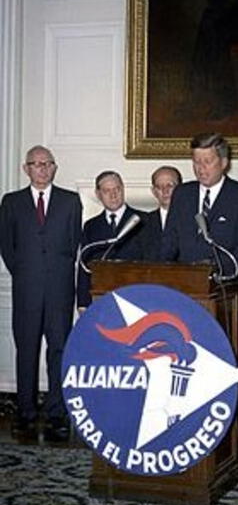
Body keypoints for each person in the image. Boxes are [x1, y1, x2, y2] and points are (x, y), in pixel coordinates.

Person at [0, 145, 82, 441]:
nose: (42, 169)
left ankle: (57, 413)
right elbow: (7, 246)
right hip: (27, 290)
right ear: (26, 169)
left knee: (59, 349)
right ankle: (25, 412)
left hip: (60, 291)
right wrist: (25, 272)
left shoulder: (70, 202)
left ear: (54, 167)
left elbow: (72, 246)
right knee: (27, 350)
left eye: (47, 163)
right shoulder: (11, 202)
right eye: (36, 164)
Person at [162, 132, 238, 277]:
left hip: (224, 283)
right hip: (183, 281)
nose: (201, 168)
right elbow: (170, 240)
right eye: (196, 162)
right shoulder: (182, 194)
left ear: (223, 163)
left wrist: (214, 267)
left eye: (207, 162)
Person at [77, 171, 147, 309]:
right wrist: (83, 303)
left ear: (123, 189)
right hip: (102, 299)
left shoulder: (144, 220)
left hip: (135, 298)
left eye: (117, 189)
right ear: (98, 194)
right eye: (107, 191)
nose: (113, 195)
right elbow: (84, 266)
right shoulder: (91, 226)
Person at [143, 166, 182, 261]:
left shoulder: (193, 219)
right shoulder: (143, 223)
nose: (165, 191)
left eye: (170, 185)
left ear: (180, 188)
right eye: (159, 187)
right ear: (154, 191)